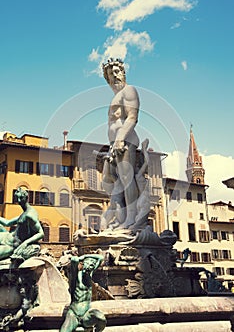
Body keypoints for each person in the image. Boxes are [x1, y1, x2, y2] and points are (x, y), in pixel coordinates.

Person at [102, 58, 140, 229]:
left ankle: (132, 218)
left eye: (118, 71)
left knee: (127, 179)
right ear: (108, 78)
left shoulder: (129, 91)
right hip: (114, 144)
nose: (115, 75)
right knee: (111, 182)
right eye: (111, 73)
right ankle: (121, 217)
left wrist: (120, 138)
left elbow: (132, 117)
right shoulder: (116, 96)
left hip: (125, 141)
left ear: (124, 73)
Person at [60, 253, 106, 332]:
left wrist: (86, 256)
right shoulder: (75, 277)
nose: (89, 267)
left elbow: (101, 258)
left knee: (101, 318)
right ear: (83, 264)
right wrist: (82, 258)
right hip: (73, 314)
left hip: (86, 314)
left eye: (92, 265)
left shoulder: (89, 275)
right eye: (87, 264)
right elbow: (74, 260)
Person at [0, 187, 44, 262]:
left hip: (12, 246)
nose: (19, 201)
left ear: (26, 198)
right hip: (6, 237)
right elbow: (7, 223)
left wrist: (25, 243)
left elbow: (41, 233)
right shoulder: (24, 213)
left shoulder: (30, 215)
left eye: (21, 198)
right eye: (17, 198)